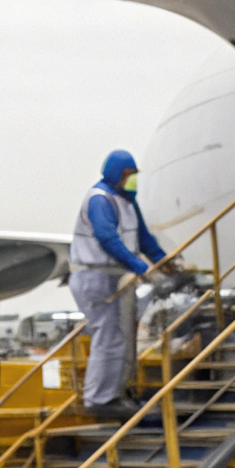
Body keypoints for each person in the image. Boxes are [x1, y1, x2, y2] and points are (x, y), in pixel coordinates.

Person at [69, 149, 173, 419]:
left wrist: (164, 261)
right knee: (109, 337)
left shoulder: (126, 202)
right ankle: (99, 399)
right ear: (117, 174)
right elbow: (108, 239)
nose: (133, 181)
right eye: (129, 176)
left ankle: (116, 392)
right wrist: (140, 266)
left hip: (116, 277)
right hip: (97, 276)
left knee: (123, 338)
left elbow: (144, 238)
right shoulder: (100, 199)